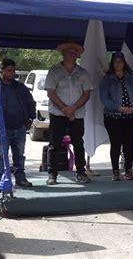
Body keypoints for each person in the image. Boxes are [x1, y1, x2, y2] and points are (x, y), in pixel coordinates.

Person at [45, 41, 93, 185]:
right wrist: (65, 109)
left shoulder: (83, 73)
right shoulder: (54, 71)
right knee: (54, 144)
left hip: (77, 114)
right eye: (69, 51)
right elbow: (50, 93)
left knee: (78, 144)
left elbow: (86, 94)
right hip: (57, 114)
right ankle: (52, 174)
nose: (72, 54)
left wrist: (73, 109)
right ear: (63, 54)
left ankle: (81, 172)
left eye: (74, 52)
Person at [0, 58, 36, 187]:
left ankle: (20, 178)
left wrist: (29, 119)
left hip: (19, 128)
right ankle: (0, 179)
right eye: (9, 70)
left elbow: (30, 103)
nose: (12, 73)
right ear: (1, 71)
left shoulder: (21, 88)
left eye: (13, 70)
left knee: (19, 155)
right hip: (1, 129)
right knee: (1, 156)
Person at [99, 51, 133, 181]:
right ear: (112, 64)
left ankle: (128, 170)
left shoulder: (132, 78)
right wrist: (119, 108)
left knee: (129, 144)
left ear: (124, 63)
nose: (119, 64)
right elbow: (104, 98)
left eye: (121, 61)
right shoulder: (107, 79)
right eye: (116, 61)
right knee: (116, 144)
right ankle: (115, 172)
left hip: (131, 116)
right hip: (113, 117)